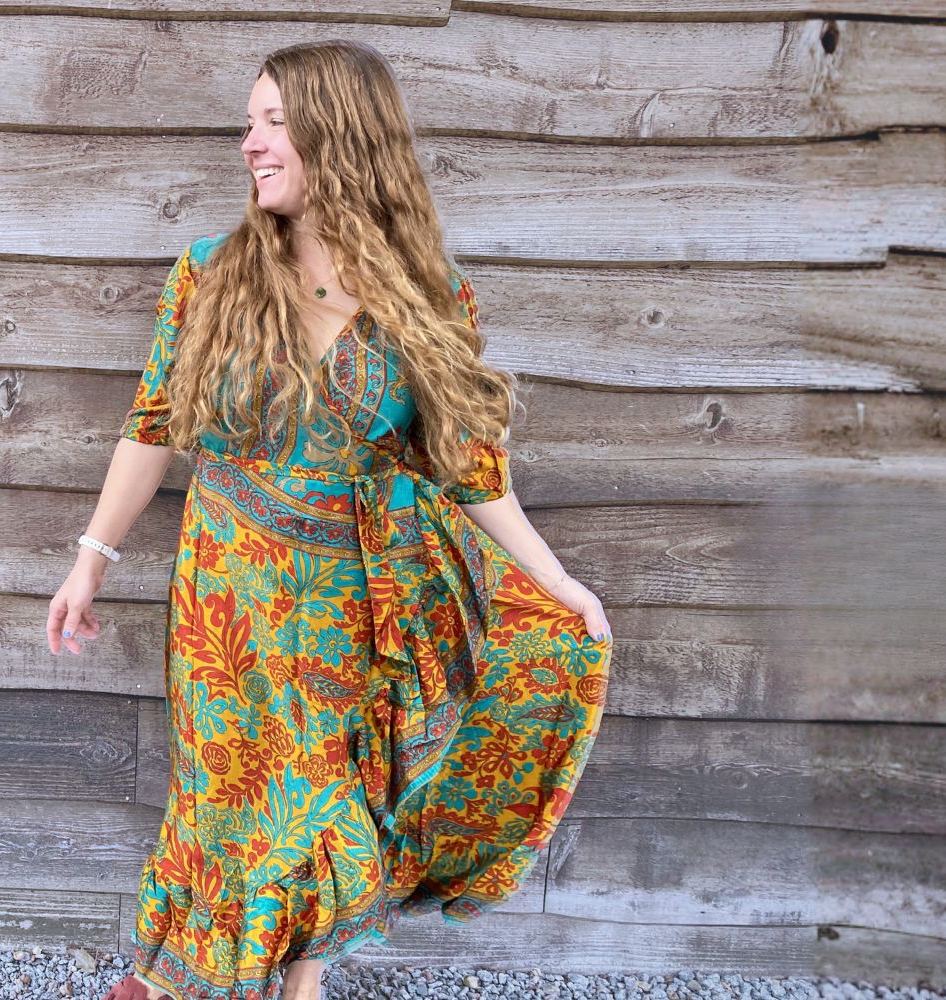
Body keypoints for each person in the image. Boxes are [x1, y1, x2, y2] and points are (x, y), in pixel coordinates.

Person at [48, 40, 614, 1000]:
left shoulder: (432, 301)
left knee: (326, 807)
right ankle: (188, 981)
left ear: (338, 136)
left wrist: (557, 586)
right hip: (227, 605)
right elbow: (152, 429)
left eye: (274, 122)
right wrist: (91, 562)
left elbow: (474, 472)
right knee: (230, 806)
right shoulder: (211, 274)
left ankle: (297, 985)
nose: (250, 143)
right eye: (251, 122)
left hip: (353, 608)